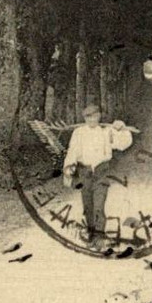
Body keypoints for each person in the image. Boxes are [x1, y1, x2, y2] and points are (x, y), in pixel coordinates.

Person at [63, 104, 134, 243]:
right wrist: (68, 171)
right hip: (84, 172)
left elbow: (124, 143)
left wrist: (122, 128)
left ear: (99, 116)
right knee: (88, 206)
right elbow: (72, 153)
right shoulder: (78, 132)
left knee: (99, 206)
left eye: (94, 116)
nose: (91, 120)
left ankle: (99, 236)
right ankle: (91, 231)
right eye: (88, 117)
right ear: (84, 118)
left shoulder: (107, 131)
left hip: (101, 171)